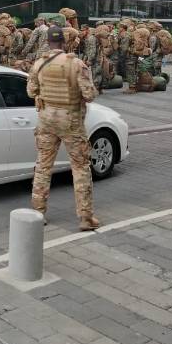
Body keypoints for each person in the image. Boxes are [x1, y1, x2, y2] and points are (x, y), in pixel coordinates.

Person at [27, 25, 99, 231]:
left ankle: (38, 213)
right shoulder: (75, 64)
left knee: (43, 167)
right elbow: (89, 95)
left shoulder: (39, 63)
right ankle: (85, 218)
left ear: (47, 41)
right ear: (64, 42)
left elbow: (31, 91)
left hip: (46, 120)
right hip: (71, 122)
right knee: (80, 167)